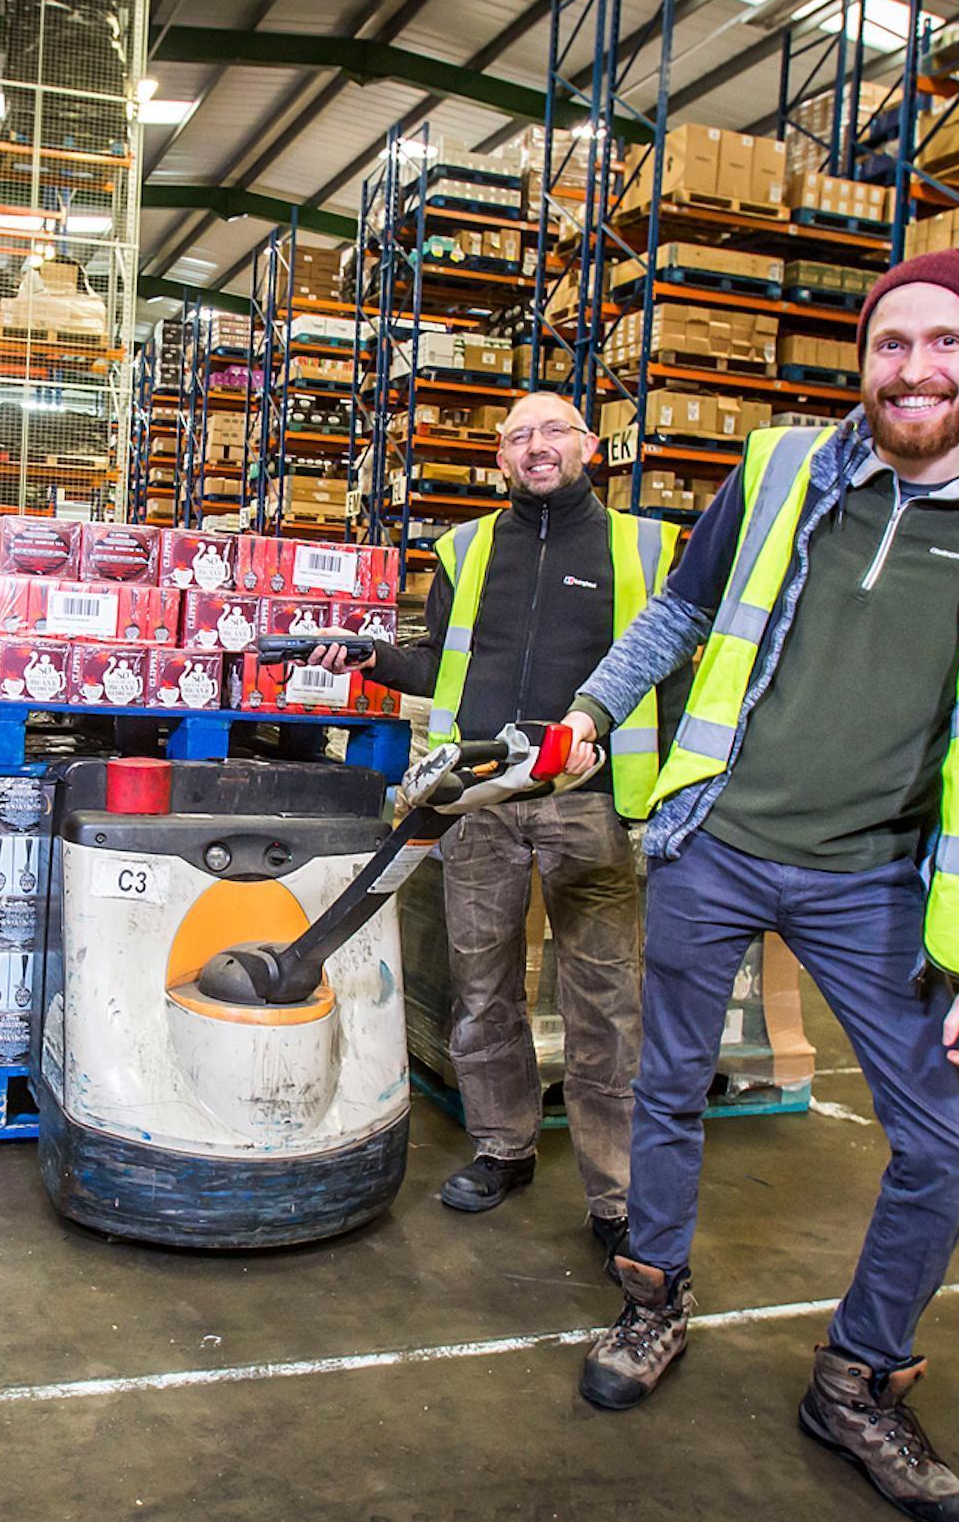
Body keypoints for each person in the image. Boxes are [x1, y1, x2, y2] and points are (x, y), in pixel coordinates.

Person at [562, 248, 959, 1521]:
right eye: (889, 343)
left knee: (945, 1142)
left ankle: (858, 1378)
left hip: (878, 885)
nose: (912, 369)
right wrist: (595, 712)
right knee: (661, 1087)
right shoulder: (780, 473)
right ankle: (649, 1299)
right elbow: (682, 615)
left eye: (943, 344)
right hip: (714, 846)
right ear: (860, 359)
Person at [316, 391, 680, 1273]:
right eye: (519, 437)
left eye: (553, 431)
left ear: (589, 445)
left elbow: (677, 666)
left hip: (588, 797)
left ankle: (617, 1194)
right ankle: (504, 1148)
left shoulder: (645, 546)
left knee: (605, 1005)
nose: (537, 447)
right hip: (480, 793)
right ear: (501, 457)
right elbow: (445, 662)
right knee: (482, 988)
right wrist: (370, 659)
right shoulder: (467, 547)